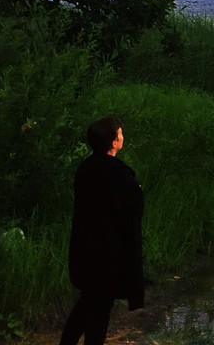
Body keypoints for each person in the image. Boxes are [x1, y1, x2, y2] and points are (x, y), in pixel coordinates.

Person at [58, 116, 145, 345]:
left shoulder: (86, 169)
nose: (122, 136)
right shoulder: (119, 175)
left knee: (88, 304)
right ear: (114, 142)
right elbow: (129, 215)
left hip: (85, 252)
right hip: (108, 257)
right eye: (120, 133)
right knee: (97, 311)